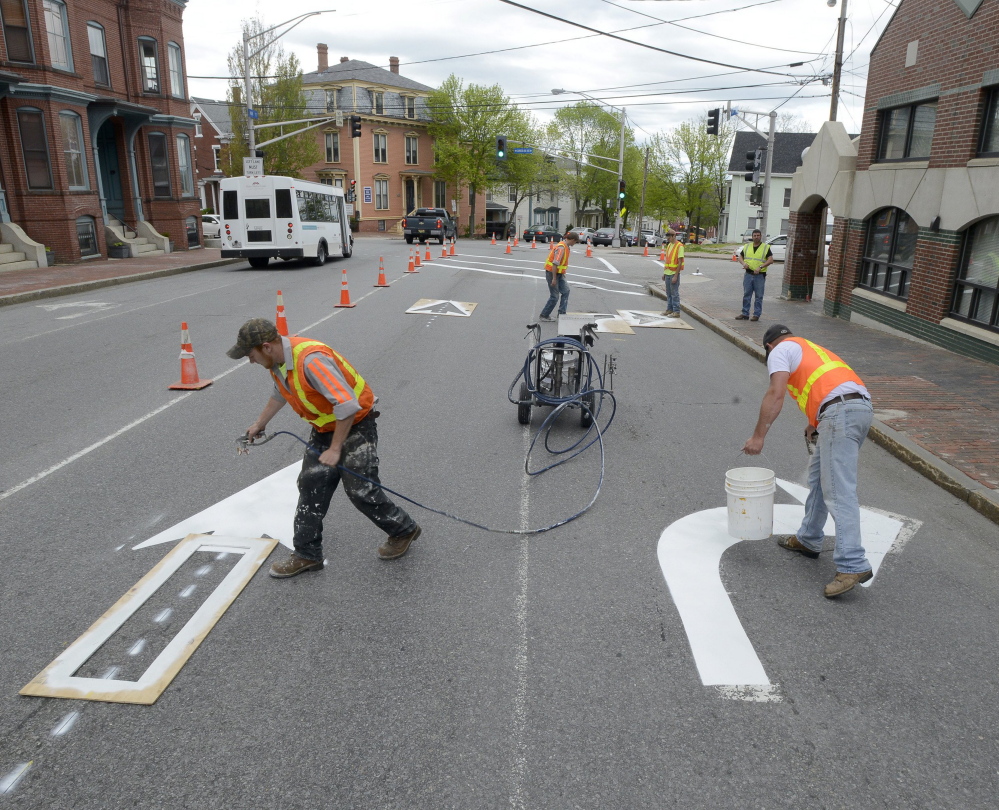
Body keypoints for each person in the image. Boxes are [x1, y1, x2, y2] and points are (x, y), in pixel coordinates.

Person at [228, 318, 421, 578]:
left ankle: (403, 530)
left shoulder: (311, 360)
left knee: (360, 490)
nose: (250, 361)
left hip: (355, 426)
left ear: (266, 347)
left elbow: (347, 405)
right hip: (324, 429)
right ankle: (307, 554)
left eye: (251, 355)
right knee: (310, 485)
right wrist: (259, 423)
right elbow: (280, 392)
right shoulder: (277, 362)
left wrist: (335, 448)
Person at [742, 325, 875, 599]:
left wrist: (758, 436)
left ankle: (852, 564)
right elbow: (829, 386)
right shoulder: (810, 347)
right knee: (819, 481)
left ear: (768, 346)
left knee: (838, 490)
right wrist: (814, 423)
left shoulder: (779, 350)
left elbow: (775, 395)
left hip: (839, 414)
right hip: (857, 409)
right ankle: (808, 539)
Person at [540, 230, 579, 322]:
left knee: (566, 291)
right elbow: (555, 264)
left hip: (559, 274)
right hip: (552, 273)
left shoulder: (566, 246)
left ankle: (562, 314)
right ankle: (544, 315)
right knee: (554, 296)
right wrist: (554, 278)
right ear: (572, 240)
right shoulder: (561, 248)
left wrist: (561, 275)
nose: (575, 243)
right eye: (576, 242)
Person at [736, 229, 774, 322]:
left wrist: (760, 267)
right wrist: (743, 263)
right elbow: (740, 257)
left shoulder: (765, 247)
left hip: (759, 275)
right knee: (746, 294)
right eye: (755, 235)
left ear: (761, 236)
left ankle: (756, 314)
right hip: (748, 274)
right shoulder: (747, 246)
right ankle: (745, 313)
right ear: (752, 237)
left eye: (758, 235)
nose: (756, 237)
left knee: (759, 296)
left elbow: (770, 260)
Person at [661, 229, 684, 318]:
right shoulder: (669, 245)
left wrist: (676, 275)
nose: (668, 239)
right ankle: (669, 309)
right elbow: (667, 260)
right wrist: (664, 273)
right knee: (669, 293)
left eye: (669, 237)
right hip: (667, 272)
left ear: (674, 236)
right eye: (667, 237)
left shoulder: (679, 246)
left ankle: (676, 311)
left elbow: (679, 262)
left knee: (674, 293)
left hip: (674, 273)